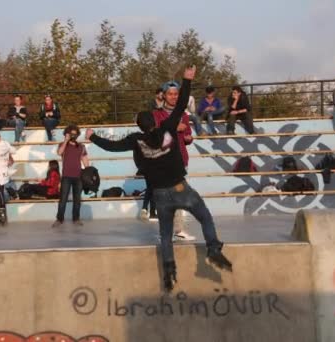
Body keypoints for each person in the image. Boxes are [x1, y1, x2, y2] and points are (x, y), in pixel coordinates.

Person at [86, 66, 232, 292]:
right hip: (181, 187)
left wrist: (92, 137)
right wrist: (187, 80)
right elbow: (182, 104)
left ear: (140, 126)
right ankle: (213, 249)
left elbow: (113, 146)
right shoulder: (167, 129)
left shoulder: (136, 140)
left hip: (160, 195)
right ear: (154, 122)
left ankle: (169, 273)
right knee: (204, 216)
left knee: (165, 236)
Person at [153, 80, 196, 242]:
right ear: (164, 95)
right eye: (170, 94)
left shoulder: (183, 115)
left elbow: (187, 137)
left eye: (176, 94)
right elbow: (155, 135)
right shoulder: (157, 114)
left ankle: (178, 230)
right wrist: (173, 128)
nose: (173, 97)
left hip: (180, 160)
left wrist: (188, 137)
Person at [52, 125, 90, 227]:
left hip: (78, 177)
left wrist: (89, 173)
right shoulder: (62, 144)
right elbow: (59, 152)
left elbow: (86, 162)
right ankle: (59, 219)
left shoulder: (81, 147)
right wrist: (66, 140)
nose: (73, 135)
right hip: (66, 177)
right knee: (63, 199)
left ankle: (76, 219)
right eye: (71, 134)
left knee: (77, 200)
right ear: (67, 134)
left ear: (77, 135)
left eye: (75, 134)